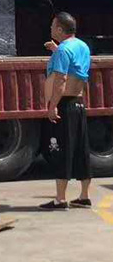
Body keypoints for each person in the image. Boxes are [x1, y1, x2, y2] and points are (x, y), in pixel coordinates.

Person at [40, 12, 92, 210]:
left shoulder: (63, 50)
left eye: (53, 26)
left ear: (60, 29)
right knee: (81, 149)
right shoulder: (82, 46)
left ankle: (60, 199)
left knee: (62, 150)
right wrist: (56, 50)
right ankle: (84, 197)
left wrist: (53, 106)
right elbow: (76, 69)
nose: (51, 28)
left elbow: (61, 80)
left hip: (65, 104)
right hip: (78, 102)